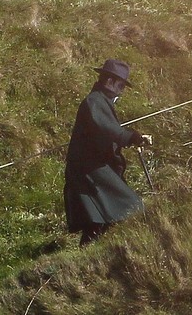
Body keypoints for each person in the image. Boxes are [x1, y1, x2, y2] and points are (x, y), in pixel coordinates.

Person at [64, 59, 147, 246]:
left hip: (90, 169)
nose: (122, 90)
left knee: (98, 220)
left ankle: (92, 255)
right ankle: (111, 250)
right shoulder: (95, 102)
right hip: (90, 171)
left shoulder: (98, 101)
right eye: (121, 85)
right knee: (129, 206)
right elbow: (108, 129)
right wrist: (132, 137)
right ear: (109, 82)